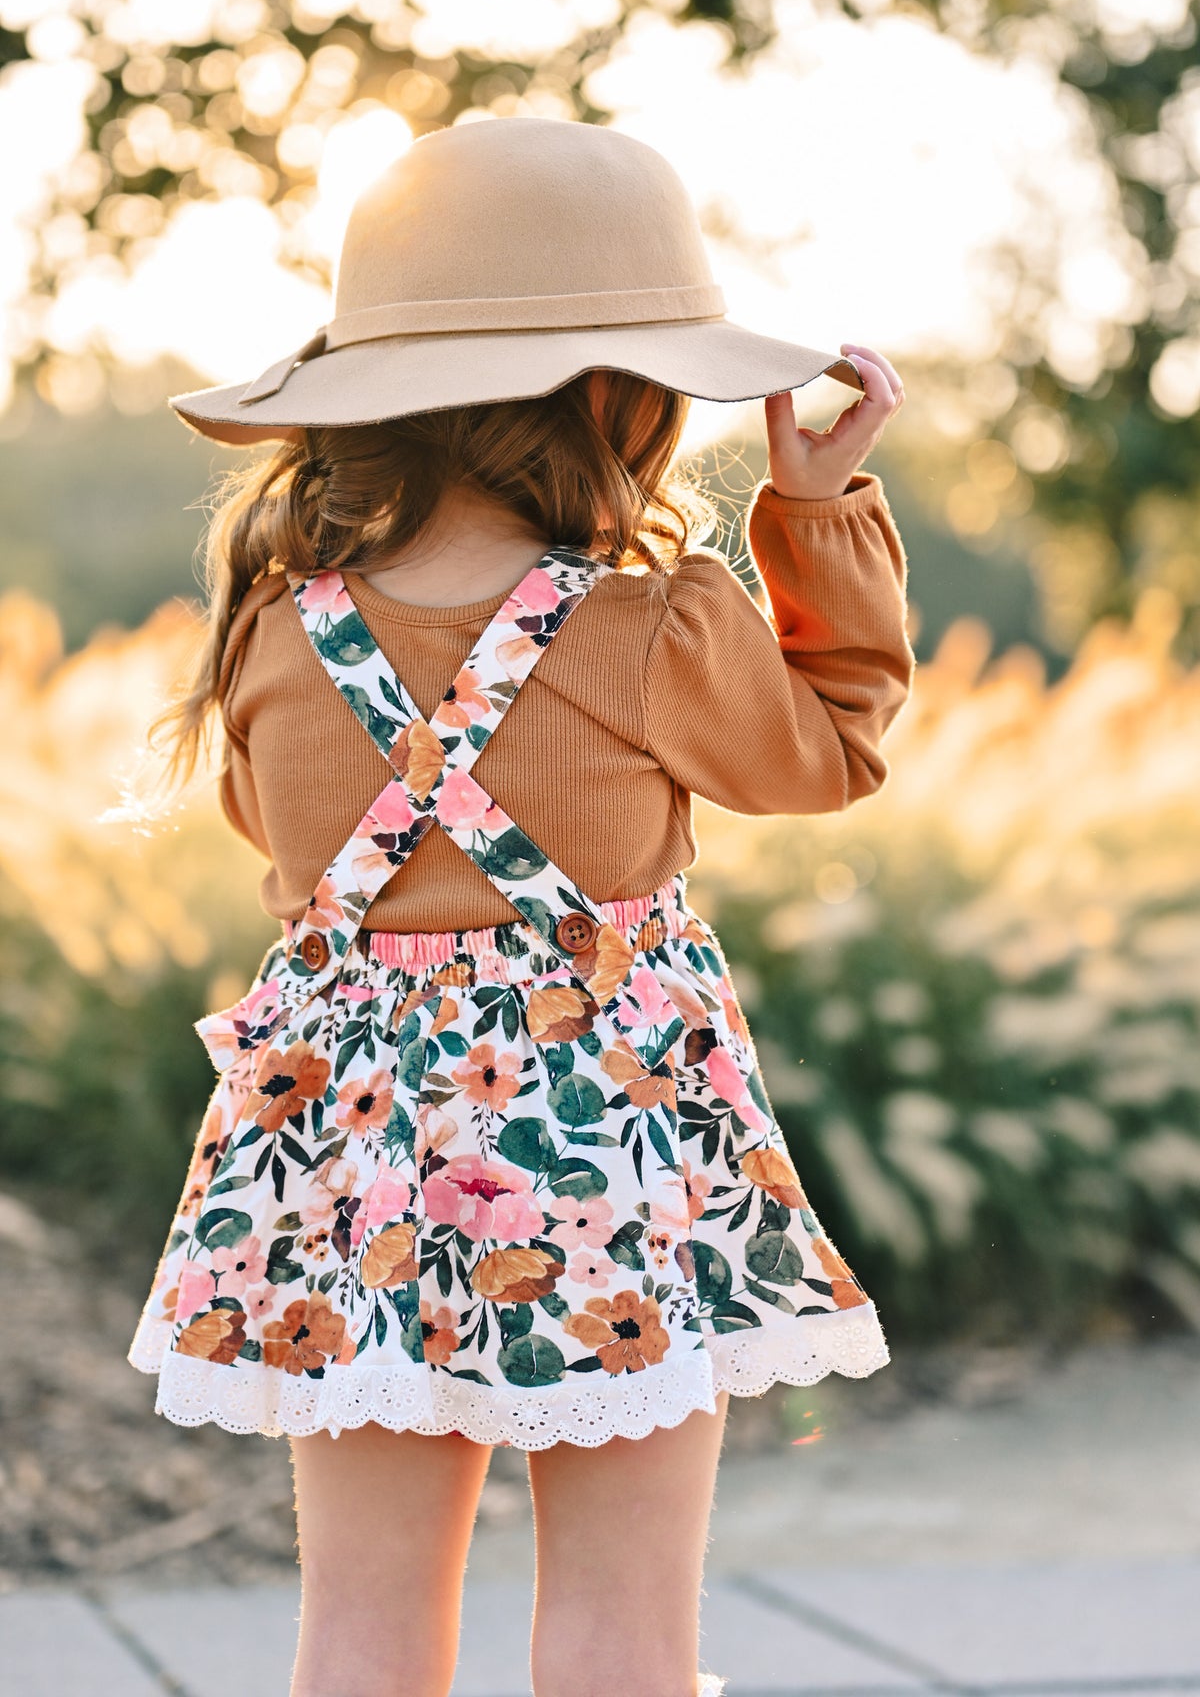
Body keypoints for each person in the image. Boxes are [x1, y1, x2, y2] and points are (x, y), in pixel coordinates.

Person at [128, 117, 915, 1697]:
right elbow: (831, 749)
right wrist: (814, 518)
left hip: (338, 1148)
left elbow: (273, 849)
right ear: (623, 392)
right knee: (622, 1638)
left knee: (356, 1630)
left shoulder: (275, 634)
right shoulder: (649, 627)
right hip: (600, 1144)